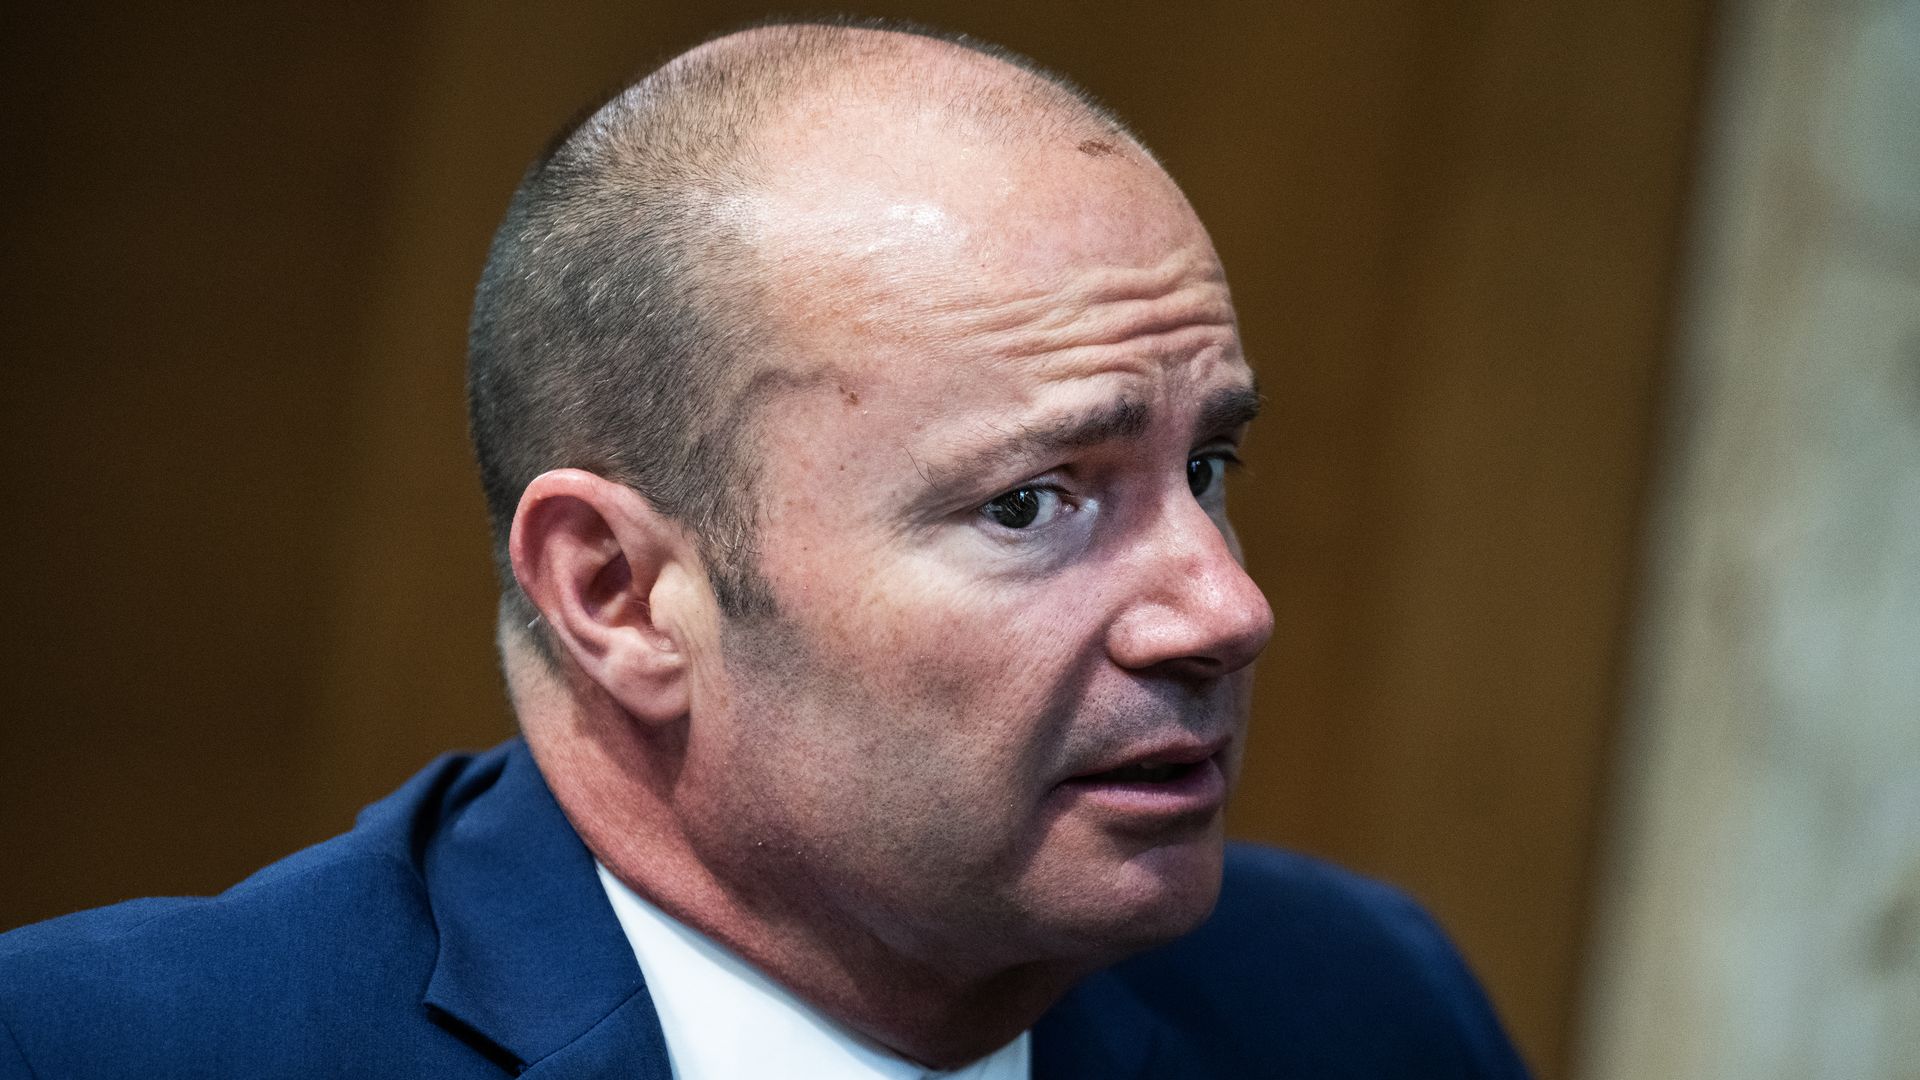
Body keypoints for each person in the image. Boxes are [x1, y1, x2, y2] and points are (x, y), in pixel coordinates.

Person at [0, 19, 1530, 1079]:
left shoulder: (1356, 1011)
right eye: (1031, 502)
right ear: (618, 594)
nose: (1223, 607)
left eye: (1207, 466)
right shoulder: (108, 1055)